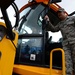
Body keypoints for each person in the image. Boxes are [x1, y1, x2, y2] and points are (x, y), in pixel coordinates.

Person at [44, 8, 75, 75]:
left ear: (64, 13)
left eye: (60, 13)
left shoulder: (72, 19)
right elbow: (54, 29)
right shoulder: (60, 24)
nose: (59, 15)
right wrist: (48, 21)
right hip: (66, 45)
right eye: (58, 14)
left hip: (74, 42)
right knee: (67, 61)